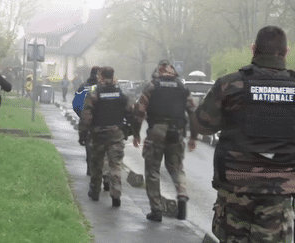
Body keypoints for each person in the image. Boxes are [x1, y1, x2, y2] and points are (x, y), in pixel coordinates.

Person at [192, 26, 295, 242]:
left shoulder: (230, 84)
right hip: (280, 191)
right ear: (286, 52)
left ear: (253, 49)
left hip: (235, 188)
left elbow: (202, 126)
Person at [132, 59, 198, 222]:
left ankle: (156, 210)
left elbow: (140, 111)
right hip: (177, 131)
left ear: (158, 71)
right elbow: (193, 112)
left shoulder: (152, 86)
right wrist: (194, 136)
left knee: (152, 170)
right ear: (172, 71)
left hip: (156, 131)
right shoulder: (182, 87)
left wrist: (135, 133)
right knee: (176, 168)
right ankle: (182, 194)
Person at [79, 66, 138, 207]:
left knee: (97, 164)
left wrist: (82, 133)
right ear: (112, 76)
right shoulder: (121, 92)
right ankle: (116, 195)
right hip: (116, 133)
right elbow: (131, 113)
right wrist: (133, 131)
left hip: (98, 134)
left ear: (100, 76)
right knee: (115, 164)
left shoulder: (94, 92)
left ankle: (94, 192)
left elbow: (86, 115)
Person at [73, 67, 110, 190]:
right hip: (102, 122)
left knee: (89, 145)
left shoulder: (84, 86)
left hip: (87, 121)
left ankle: (90, 168)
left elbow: (76, 103)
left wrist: (82, 116)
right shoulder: (103, 88)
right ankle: (105, 173)